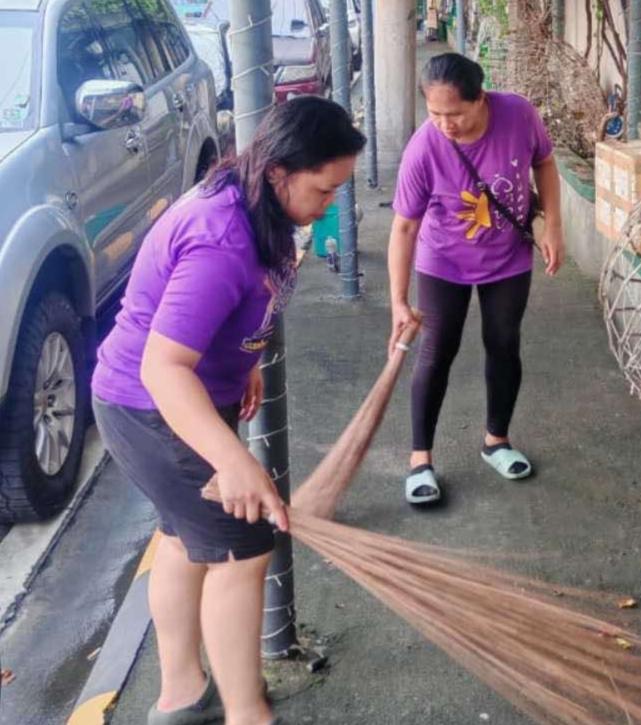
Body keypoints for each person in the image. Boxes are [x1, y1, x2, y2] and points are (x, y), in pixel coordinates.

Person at [92, 97, 365, 725]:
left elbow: (228, 308)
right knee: (243, 551)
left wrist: (241, 361)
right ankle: (247, 714)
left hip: (181, 399)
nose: (331, 205)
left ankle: (183, 698)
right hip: (153, 406)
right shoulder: (221, 237)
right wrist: (236, 461)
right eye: (324, 190)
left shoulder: (254, 204)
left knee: (184, 541)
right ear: (278, 172)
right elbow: (163, 368)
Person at [388, 53, 564, 506]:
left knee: (504, 343)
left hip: (508, 256)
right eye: (434, 113)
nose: (445, 124)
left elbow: (544, 162)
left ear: (481, 98)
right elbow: (404, 227)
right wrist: (397, 300)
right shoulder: (424, 147)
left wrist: (554, 227)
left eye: (456, 113)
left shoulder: (518, 114)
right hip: (442, 261)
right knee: (436, 352)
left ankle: (496, 442)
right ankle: (420, 460)